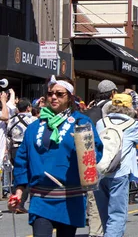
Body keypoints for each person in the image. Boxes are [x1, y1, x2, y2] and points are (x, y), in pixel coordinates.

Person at [9, 76, 103, 237]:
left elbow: (96, 154)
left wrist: (83, 146)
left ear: (70, 97)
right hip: (41, 198)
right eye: (50, 93)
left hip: (70, 197)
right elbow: (22, 160)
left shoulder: (81, 122)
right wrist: (19, 191)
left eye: (60, 94)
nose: (53, 97)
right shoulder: (34, 127)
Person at [94, 93, 138, 237]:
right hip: (120, 172)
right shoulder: (132, 125)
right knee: (117, 215)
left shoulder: (101, 122)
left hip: (100, 172)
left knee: (104, 213)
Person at [7, 98, 34, 213]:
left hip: (14, 148)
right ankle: (20, 203)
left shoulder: (11, 120)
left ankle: (15, 200)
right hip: (26, 149)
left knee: (17, 175)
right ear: (28, 107)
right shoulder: (33, 120)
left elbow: (8, 136)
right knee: (28, 176)